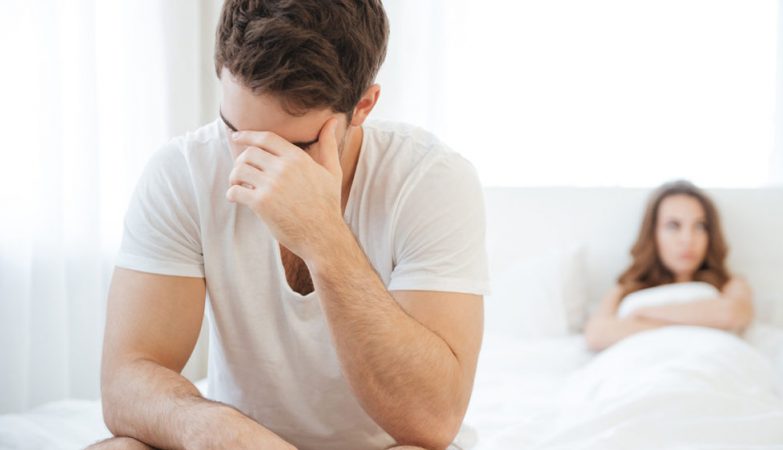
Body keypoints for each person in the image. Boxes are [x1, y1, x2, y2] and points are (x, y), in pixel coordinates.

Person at [91, 1, 488, 449]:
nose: (250, 163)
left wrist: (324, 238)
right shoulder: (182, 170)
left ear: (363, 106)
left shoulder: (430, 180)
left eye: (292, 146)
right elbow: (126, 381)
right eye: (234, 130)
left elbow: (431, 421)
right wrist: (213, 429)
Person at [584, 180, 754, 351]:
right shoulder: (626, 286)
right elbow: (596, 335)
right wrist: (701, 322)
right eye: (673, 226)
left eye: (700, 226)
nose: (687, 239)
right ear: (653, 233)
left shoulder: (729, 283)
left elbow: (733, 314)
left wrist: (644, 313)